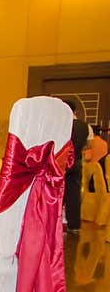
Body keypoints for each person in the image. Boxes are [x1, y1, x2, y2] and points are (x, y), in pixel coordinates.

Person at [61, 99, 89, 234]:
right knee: (74, 193)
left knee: (58, 192)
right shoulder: (85, 126)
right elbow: (88, 144)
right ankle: (74, 225)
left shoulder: (61, 124)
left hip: (61, 162)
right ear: (75, 111)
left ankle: (57, 222)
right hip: (77, 162)